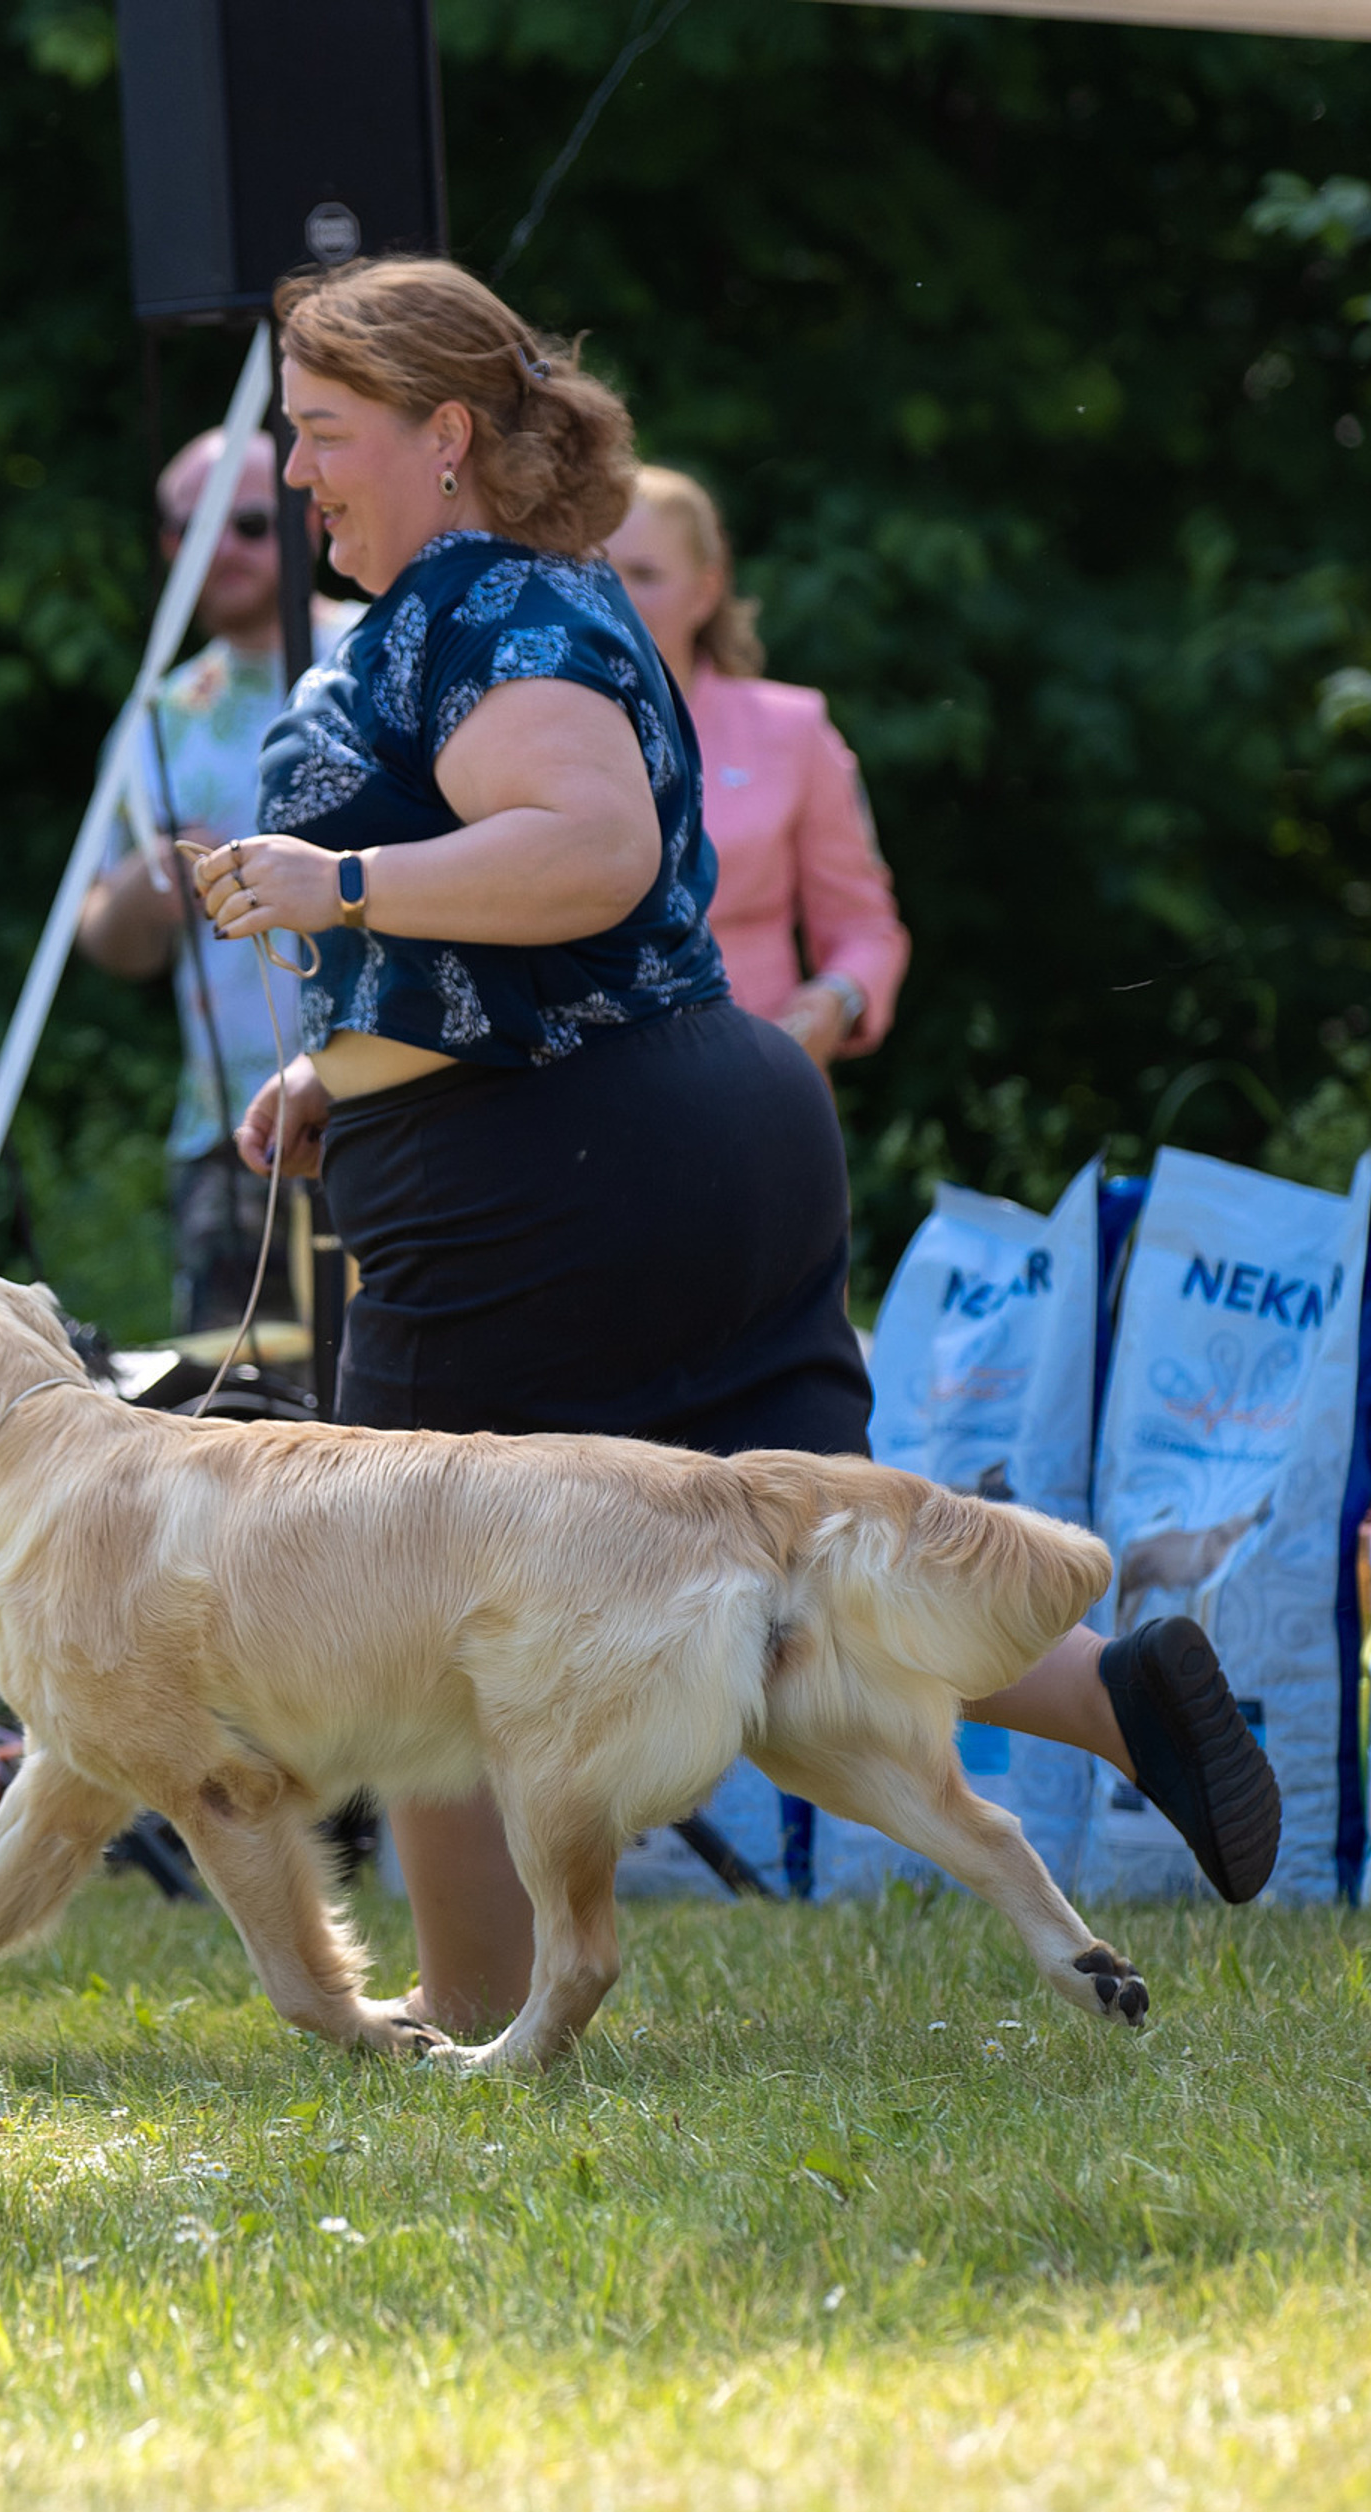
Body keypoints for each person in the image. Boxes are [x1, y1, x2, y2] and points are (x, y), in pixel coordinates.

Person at [194, 257, 1280, 2031]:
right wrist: (345, 1061)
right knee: (787, 1561)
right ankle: (1116, 1694)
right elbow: (549, 922)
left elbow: (589, 848)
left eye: (323, 435)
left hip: (552, 1176)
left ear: (444, 436)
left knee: (408, 1595)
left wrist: (343, 888)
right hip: (682, 1124)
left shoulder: (484, 611)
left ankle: (472, 2036)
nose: (295, 474)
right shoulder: (511, 600)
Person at [76, 429, 359, 1332]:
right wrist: (154, 879)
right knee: (237, 1433)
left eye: (246, 523)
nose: (222, 550)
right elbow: (104, 942)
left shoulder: (380, 660)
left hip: (397, 1094)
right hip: (233, 1137)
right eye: (192, 530)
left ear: (309, 522)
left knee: (421, 1433)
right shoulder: (156, 718)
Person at [606, 466, 909, 1066]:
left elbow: (865, 931)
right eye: (598, 573)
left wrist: (835, 999)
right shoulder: (530, 732)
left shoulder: (793, 729)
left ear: (706, 589)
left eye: (644, 575)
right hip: (586, 1088)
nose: (616, 596)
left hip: (756, 1073)